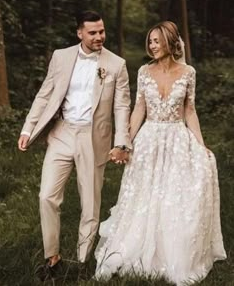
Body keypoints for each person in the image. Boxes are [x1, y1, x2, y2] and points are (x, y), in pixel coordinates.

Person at [94, 21, 226, 285]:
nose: (152, 46)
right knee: (145, 193)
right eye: (150, 41)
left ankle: (171, 250)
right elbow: (139, 109)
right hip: (149, 139)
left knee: (173, 194)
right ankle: (136, 247)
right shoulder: (144, 71)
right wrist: (125, 142)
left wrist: (201, 145)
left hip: (177, 137)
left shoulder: (188, 72)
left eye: (157, 41)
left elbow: (190, 110)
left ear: (170, 41)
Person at [18, 10, 131, 280]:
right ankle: (53, 259)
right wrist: (27, 128)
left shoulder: (116, 64)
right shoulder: (61, 56)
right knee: (46, 196)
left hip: (94, 138)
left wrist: (121, 143)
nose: (99, 37)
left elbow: (122, 107)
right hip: (61, 133)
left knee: (90, 204)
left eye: (101, 31)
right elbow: (45, 94)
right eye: (92, 32)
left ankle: (81, 262)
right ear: (79, 32)